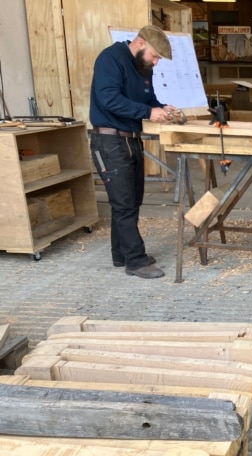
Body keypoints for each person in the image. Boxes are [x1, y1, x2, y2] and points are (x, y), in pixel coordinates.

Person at [89, 25, 179, 279]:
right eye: (155, 56)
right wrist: (149, 113)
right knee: (124, 204)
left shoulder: (142, 67)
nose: (156, 61)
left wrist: (160, 107)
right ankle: (136, 261)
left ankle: (121, 254)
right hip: (109, 141)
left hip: (130, 140)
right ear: (140, 43)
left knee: (131, 200)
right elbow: (109, 99)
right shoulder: (110, 59)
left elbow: (146, 99)